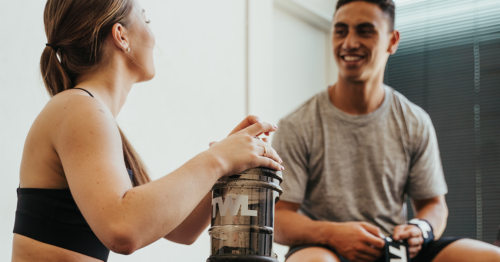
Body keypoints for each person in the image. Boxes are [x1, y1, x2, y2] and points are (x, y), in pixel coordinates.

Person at [11, 0, 284, 261]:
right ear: (121, 35)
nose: (153, 35)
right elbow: (123, 229)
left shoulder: (89, 115)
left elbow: (180, 229)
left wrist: (226, 165)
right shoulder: (80, 109)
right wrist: (218, 159)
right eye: (146, 19)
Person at [272, 0, 500, 262]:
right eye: (341, 30)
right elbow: (278, 218)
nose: (349, 42)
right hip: (326, 249)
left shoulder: (415, 121)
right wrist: (334, 234)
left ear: (392, 41)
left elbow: (434, 206)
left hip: (396, 251)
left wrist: (420, 228)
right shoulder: (297, 125)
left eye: (365, 30)